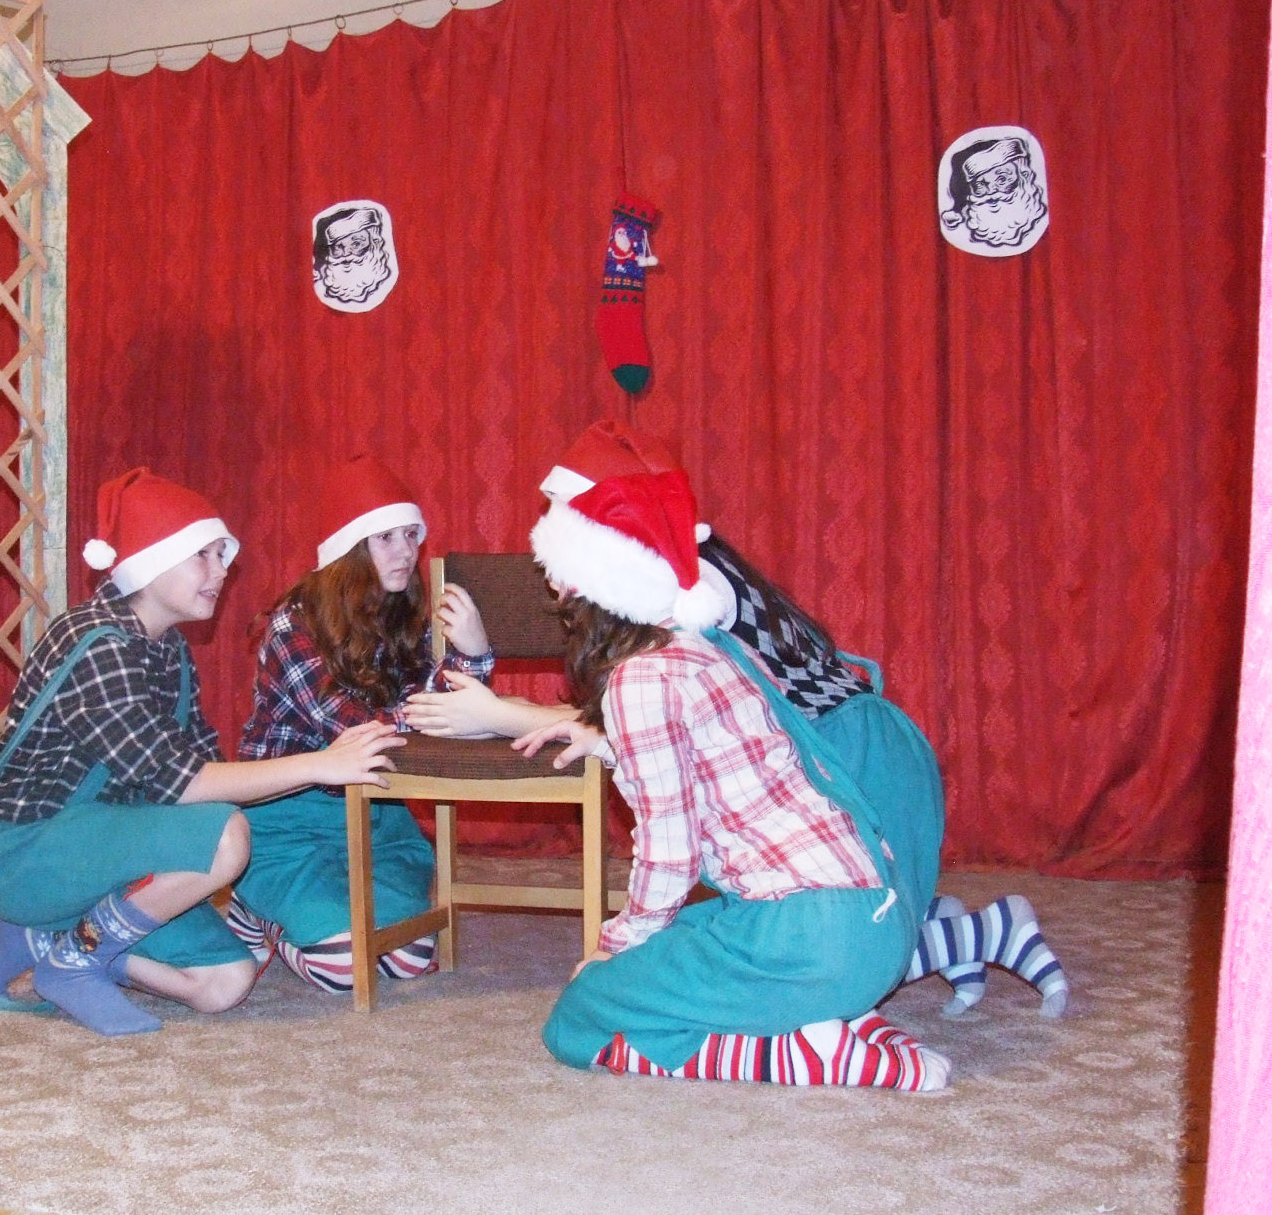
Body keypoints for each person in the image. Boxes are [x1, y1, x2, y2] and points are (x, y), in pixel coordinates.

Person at [407, 417, 1064, 1017]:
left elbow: (652, 726)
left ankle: (977, 934)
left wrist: (501, 712)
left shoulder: (669, 604)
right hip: (852, 751)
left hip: (852, 755)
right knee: (854, 931)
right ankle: (966, 934)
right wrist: (519, 712)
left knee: (837, 946)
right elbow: (637, 728)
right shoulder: (670, 576)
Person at [0, 467, 402, 1036]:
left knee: (224, 983)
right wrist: (321, 763)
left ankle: (53, 940)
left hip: (100, 850)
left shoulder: (167, 650)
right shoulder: (95, 643)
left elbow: (205, 770)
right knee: (224, 836)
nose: (222, 570)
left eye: (223, 556)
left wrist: (317, 770)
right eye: (204, 556)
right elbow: (185, 783)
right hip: (23, 852)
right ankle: (77, 960)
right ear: (152, 562)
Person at [223, 454, 494, 992]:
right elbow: (361, 733)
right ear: (349, 550)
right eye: (385, 538)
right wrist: (458, 673)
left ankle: (318, 915)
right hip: (289, 818)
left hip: (376, 817)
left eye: (410, 535)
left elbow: (445, 720)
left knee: (407, 956)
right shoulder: (293, 625)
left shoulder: (401, 617)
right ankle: (254, 910)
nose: (406, 551)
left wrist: (474, 652)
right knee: (345, 966)